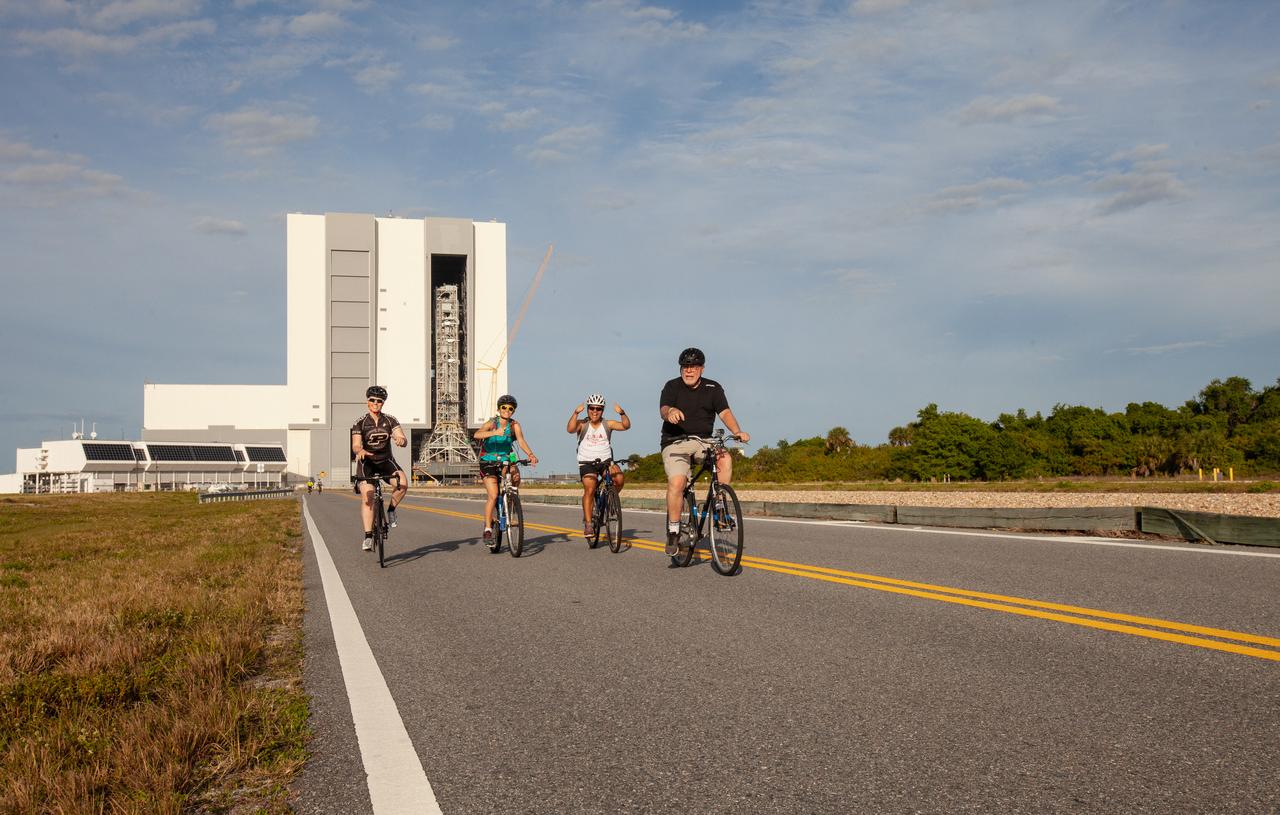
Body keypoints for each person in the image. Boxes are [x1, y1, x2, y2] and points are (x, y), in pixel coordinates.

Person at [658, 347, 750, 554]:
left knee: (724, 457)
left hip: (704, 441)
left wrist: (737, 431)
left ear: (701, 368)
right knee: (678, 482)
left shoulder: (713, 388)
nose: (689, 371)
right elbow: (664, 409)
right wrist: (670, 411)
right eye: (685, 367)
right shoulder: (672, 386)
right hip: (675, 442)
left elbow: (725, 412)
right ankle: (673, 531)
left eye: (693, 367)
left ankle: (720, 506)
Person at [474, 394, 539, 543]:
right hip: (488, 460)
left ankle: (510, 505)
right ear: (499, 409)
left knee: (515, 476)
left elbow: (521, 441)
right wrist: (494, 433)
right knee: (493, 494)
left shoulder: (514, 425)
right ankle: (488, 529)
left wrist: (530, 454)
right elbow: (477, 434)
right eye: (504, 407)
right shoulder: (492, 423)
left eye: (510, 408)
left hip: (505, 458)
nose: (507, 410)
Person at [352, 385, 408, 551]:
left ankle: (391, 510)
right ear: (367, 402)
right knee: (368, 498)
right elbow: (355, 444)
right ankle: (368, 536)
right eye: (372, 400)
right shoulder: (360, 422)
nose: (376, 403)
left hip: (385, 461)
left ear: (383, 403)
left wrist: (401, 440)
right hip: (367, 463)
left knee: (403, 484)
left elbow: (401, 436)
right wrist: (360, 450)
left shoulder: (390, 420)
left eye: (379, 401)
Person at [566, 393, 630, 538]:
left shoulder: (608, 424)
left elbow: (626, 426)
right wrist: (576, 413)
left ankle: (609, 500)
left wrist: (622, 413)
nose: (595, 411)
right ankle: (589, 524)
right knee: (590, 488)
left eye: (598, 409)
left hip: (605, 461)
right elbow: (570, 429)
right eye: (592, 408)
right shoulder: (583, 424)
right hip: (586, 463)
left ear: (602, 410)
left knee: (619, 479)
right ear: (588, 409)